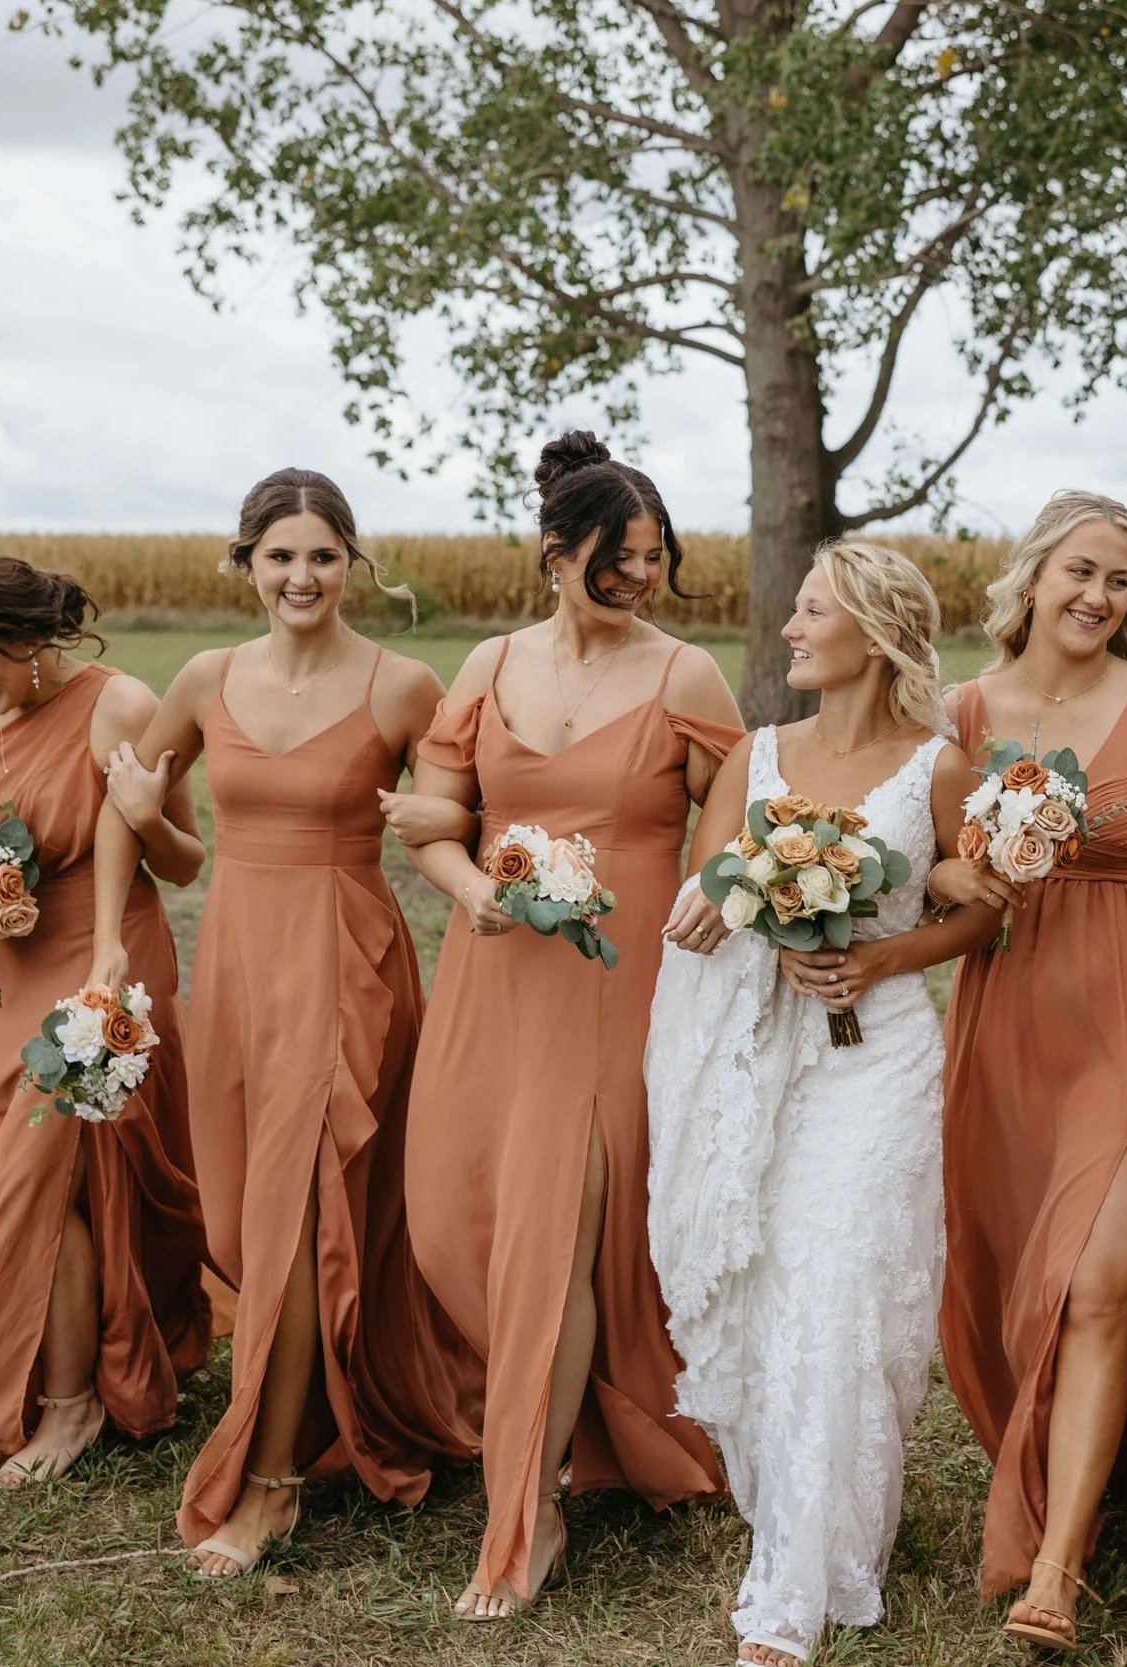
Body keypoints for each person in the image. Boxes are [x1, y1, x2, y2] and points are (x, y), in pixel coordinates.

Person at [93, 468, 470, 1575]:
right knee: (244, 1225)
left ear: (353, 562)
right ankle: (332, 1398)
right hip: (241, 968)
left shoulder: (404, 684)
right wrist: (114, 933)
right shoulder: (207, 678)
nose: (302, 575)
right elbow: (141, 810)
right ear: (245, 564)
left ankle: (268, 1478)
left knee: (305, 1210)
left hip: (347, 963)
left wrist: (446, 821)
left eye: (322, 554)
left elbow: (468, 803)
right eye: (280, 555)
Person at [394, 432, 741, 1619]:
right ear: (557, 552)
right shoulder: (488, 665)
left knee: (551, 1231)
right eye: (618, 558)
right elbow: (435, 815)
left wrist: (714, 891)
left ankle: (527, 1509)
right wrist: (473, 884)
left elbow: (734, 825)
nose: (640, 578)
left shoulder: (685, 675)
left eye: (655, 558)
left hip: (617, 988)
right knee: (455, 1220)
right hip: (493, 982)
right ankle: (575, 1425)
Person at [646, 540, 1001, 1666]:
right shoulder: (757, 755)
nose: (790, 628)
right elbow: (703, 888)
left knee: (844, 1278)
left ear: (873, 632)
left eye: (809, 612)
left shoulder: (936, 766)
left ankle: (791, 1592)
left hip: (879, 1055)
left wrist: (888, 957)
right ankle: (798, 1498)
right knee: (767, 1284)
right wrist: (718, 902)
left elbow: (981, 912)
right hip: (761, 1050)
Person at [924, 489, 1127, 1649]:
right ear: (1033, 576)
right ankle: (1078, 1461)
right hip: (1006, 1021)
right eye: (1080, 571)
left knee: (1099, 1275)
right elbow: (925, 870)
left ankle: (1055, 1566)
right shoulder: (961, 711)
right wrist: (954, 881)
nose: (1097, 595)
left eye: (1118, 579)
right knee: (1012, 1274)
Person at [0, 554, 212, 1485]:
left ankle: (72, 1399)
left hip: (104, 960)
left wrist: (142, 815)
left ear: (26, 641)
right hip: (3, 975)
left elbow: (184, 861)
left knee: (43, 1177)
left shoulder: (121, 705)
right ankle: (64, 1360)